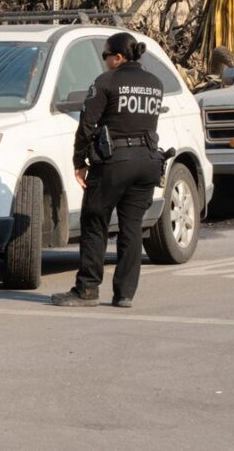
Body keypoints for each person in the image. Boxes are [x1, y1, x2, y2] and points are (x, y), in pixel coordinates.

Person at [51, 32, 165, 309]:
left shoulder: (107, 81)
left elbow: (87, 124)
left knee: (94, 221)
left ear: (118, 57)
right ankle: (125, 293)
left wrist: (79, 162)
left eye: (105, 56)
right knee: (131, 227)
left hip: (115, 162)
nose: (103, 61)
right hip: (148, 161)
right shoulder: (155, 83)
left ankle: (87, 289)